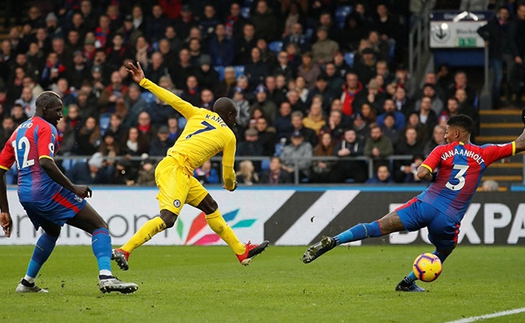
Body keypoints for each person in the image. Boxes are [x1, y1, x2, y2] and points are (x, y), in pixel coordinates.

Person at [302, 113, 525, 292]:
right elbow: (520, 144)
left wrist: (433, 176)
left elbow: (421, 173)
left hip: (424, 205)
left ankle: (334, 240)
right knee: (445, 249)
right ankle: (407, 282)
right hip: (448, 218)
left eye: (447, 132)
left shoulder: (441, 150)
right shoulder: (486, 152)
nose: (445, 136)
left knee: (376, 227)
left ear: (456, 132)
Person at [112, 62, 269, 271]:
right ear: (230, 116)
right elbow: (228, 172)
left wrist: (144, 81)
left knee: (210, 206)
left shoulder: (198, 113)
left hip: (177, 169)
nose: (235, 121)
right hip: (176, 169)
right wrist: (231, 186)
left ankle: (241, 251)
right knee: (168, 219)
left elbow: (172, 99)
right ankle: (124, 250)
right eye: (235, 117)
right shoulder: (229, 136)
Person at [0, 91, 137, 294]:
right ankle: (106, 277)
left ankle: (27, 282)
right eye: (57, 110)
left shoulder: (18, 130)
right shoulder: (47, 127)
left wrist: (4, 209)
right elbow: (46, 162)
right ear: (45, 109)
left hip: (25, 194)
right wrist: (73, 188)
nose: (61, 115)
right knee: (99, 226)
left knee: (52, 231)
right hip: (46, 191)